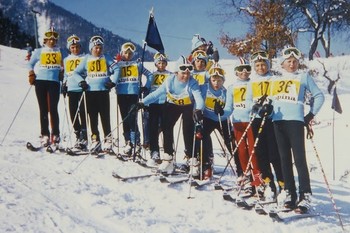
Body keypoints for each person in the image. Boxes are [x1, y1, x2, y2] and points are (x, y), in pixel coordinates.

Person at [272, 47, 324, 212]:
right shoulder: (274, 79)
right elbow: (270, 101)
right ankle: (290, 193)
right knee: (284, 159)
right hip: (278, 122)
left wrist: (310, 115)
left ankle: (305, 195)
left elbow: (319, 96)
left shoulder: (303, 77)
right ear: (283, 63)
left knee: (299, 159)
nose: (292, 64)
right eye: (289, 61)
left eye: (295, 61)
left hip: (295, 122)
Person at [135, 56, 204, 174]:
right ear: (177, 72)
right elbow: (156, 94)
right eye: (183, 73)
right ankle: (168, 158)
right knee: (166, 126)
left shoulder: (192, 82)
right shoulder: (170, 81)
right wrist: (142, 103)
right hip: (173, 105)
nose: (186, 76)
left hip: (188, 105)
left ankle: (192, 159)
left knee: (188, 129)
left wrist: (198, 110)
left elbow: (199, 99)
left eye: (188, 73)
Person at [246, 50, 284, 199]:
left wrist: (270, 106)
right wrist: (254, 106)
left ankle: (282, 183)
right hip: (257, 119)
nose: (261, 67)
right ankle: (269, 183)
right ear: (254, 67)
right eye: (258, 65)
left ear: (268, 65)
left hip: (271, 119)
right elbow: (248, 100)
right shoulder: (252, 82)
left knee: (274, 153)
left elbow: (277, 96)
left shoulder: (274, 79)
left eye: (263, 64)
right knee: (261, 153)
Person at [110, 42, 153, 156]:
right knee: (124, 118)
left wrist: (145, 87)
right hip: (121, 94)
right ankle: (128, 141)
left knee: (132, 118)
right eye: (126, 53)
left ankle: (136, 142)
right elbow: (108, 72)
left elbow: (150, 75)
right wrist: (109, 83)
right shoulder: (117, 64)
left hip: (134, 94)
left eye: (130, 53)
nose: (128, 55)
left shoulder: (137, 64)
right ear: (121, 53)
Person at [227, 58, 263, 193]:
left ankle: (258, 178)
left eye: (247, 68)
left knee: (253, 151)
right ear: (236, 72)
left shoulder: (254, 84)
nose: (244, 72)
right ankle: (247, 176)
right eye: (240, 69)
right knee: (241, 151)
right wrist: (222, 111)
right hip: (238, 122)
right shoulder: (231, 87)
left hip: (251, 121)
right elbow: (228, 108)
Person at [73, 35, 115, 153]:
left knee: (105, 116)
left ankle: (108, 139)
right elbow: (76, 72)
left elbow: (116, 69)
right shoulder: (86, 58)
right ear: (91, 48)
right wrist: (81, 82)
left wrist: (113, 82)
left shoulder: (106, 57)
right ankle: (95, 139)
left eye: (100, 47)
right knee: (93, 117)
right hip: (90, 92)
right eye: (96, 47)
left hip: (103, 91)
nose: (98, 50)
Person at [27, 27, 65, 147]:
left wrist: (62, 72)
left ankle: (56, 134)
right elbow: (30, 63)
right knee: (43, 108)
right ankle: (45, 134)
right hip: (41, 82)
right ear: (45, 40)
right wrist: (31, 73)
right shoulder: (39, 51)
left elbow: (63, 65)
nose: (52, 42)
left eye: (54, 40)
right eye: (49, 39)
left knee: (53, 108)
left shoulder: (59, 52)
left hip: (54, 82)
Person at [200, 65, 233, 180]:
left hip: (221, 119)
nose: (216, 83)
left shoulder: (225, 92)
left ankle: (241, 167)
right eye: (213, 80)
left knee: (230, 140)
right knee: (202, 136)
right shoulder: (204, 88)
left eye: (219, 80)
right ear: (209, 80)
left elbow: (230, 108)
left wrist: (223, 112)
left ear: (223, 81)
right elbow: (197, 100)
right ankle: (207, 165)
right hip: (207, 118)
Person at [146, 52, 172, 166]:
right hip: (153, 104)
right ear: (156, 64)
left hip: (166, 104)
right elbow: (147, 87)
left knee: (167, 128)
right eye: (159, 63)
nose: (161, 65)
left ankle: (168, 152)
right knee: (153, 127)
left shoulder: (170, 75)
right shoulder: (152, 75)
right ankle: (154, 152)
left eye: (163, 63)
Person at [62, 34, 87, 150]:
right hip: (71, 88)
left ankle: (84, 136)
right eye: (72, 47)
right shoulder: (66, 60)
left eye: (77, 47)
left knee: (83, 112)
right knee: (73, 113)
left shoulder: (85, 58)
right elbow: (66, 74)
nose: (75, 49)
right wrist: (64, 85)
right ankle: (78, 134)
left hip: (82, 89)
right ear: (69, 48)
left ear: (80, 47)